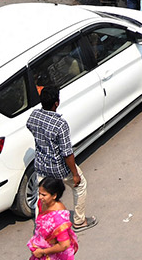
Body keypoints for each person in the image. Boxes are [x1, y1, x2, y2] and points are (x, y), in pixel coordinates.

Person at [25, 84, 95, 231]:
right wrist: (75, 174)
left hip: (41, 166)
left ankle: (40, 227)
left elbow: (30, 127)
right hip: (58, 169)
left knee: (42, 196)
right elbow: (67, 153)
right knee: (80, 186)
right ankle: (79, 221)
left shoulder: (34, 116)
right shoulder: (60, 125)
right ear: (56, 103)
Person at [25, 176, 79, 260]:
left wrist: (43, 252)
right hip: (41, 254)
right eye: (39, 193)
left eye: (44, 195)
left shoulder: (59, 217)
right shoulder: (42, 203)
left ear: (54, 196)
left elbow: (64, 245)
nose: (40, 197)